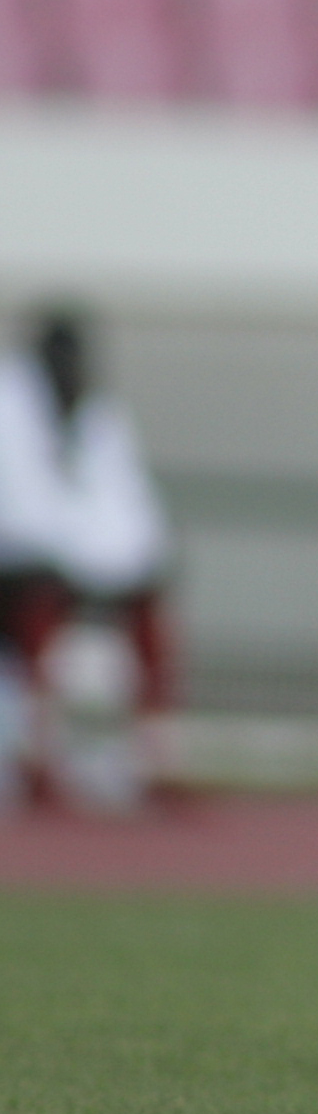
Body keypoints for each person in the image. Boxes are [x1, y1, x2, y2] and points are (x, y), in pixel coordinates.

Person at [0, 308, 174, 809]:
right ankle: (35, 759)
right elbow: (20, 506)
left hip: (69, 565)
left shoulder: (97, 415)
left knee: (148, 602)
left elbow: (126, 503)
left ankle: (150, 757)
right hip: (16, 566)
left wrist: (128, 564)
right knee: (40, 598)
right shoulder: (10, 406)